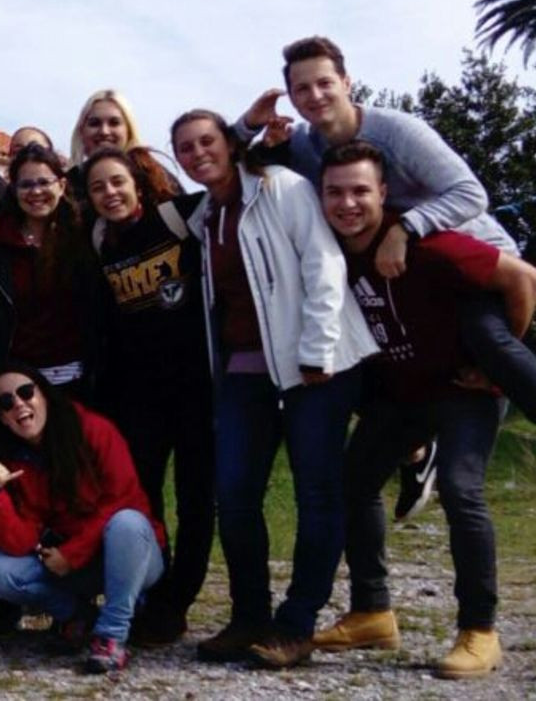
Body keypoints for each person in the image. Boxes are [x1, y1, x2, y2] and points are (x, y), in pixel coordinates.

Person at [236, 35, 536, 514]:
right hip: (394, 275)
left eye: (324, 83)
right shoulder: (307, 148)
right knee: (360, 359)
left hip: (466, 260)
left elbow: (470, 193)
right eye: (302, 89)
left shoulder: (396, 131)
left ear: (347, 82)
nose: (315, 96)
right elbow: (234, 169)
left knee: (482, 333)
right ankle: (417, 453)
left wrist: (407, 229)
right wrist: (254, 132)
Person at [313, 141, 536, 679]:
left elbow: (525, 278)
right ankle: (372, 611)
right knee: (354, 480)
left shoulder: (428, 242)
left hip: (464, 389)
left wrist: (498, 360)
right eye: (335, 192)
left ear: (383, 193)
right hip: (402, 391)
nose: (347, 204)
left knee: (462, 491)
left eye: (360, 191)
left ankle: (479, 631)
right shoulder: (332, 249)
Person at [170, 109, 379, 669]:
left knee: (317, 495)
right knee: (234, 495)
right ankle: (249, 616)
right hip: (243, 373)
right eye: (184, 148)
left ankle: (297, 624)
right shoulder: (203, 215)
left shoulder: (281, 188)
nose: (196, 155)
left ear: (231, 144)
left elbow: (323, 263)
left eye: (207, 142)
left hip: (317, 367)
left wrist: (317, 346)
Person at [0, 142, 99, 633]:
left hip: (72, 379)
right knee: (4, 483)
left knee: (70, 487)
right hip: (11, 381)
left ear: (61, 184)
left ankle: (71, 598)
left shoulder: (82, 238)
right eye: (26, 182)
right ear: (14, 189)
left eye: (44, 181)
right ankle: (10, 594)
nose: (36, 191)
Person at [82, 146, 215, 647]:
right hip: (137, 394)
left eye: (117, 182)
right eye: (98, 187)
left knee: (197, 498)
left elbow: (228, 183)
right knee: (143, 498)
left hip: (195, 386)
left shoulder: (178, 217)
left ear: (138, 182)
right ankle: (149, 594)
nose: (109, 193)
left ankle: (178, 599)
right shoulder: (99, 239)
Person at [0, 367, 166, 674]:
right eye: (7, 402)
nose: (19, 405)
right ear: (2, 418)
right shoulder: (14, 461)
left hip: (132, 554)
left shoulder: (94, 430)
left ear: (45, 395)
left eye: (26, 392)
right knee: (0, 572)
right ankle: (78, 616)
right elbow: (21, 541)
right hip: (73, 562)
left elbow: (124, 500)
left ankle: (111, 636)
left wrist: (72, 554)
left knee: (127, 522)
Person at [68, 90, 181, 213]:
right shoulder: (69, 185)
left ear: (128, 130)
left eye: (114, 123)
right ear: (81, 131)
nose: (104, 131)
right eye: (94, 124)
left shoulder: (155, 177)